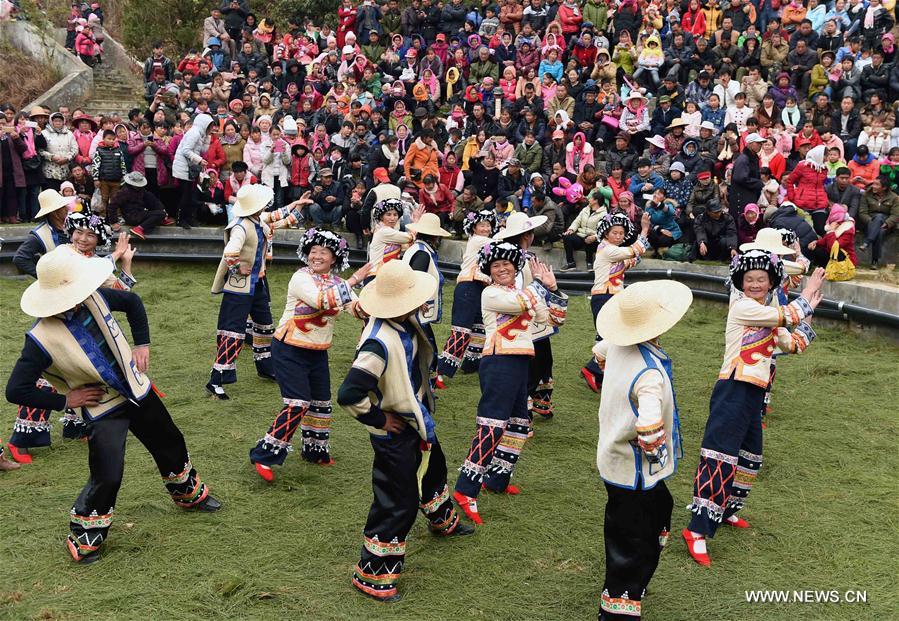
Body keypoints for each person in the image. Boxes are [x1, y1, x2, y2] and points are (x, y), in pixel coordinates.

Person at [5, 248, 222, 563]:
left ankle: (189, 496)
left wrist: (142, 343)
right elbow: (16, 389)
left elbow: (133, 302)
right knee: (107, 474)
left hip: (136, 388)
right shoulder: (39, 339)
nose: (79, 297)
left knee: (170, 441)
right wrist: (66, 400)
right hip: (102, 406)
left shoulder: (95, 296)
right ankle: (85, 538)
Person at [336, 260, 474, 602]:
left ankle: (442, 520)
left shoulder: (405, 322)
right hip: (395, 429)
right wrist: (379, 420)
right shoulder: (377, 345)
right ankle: (372, 573)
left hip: (417, 418)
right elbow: (348, 394)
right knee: (397, 500)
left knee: (434, 469)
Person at [684, 252, 824, 566]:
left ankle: (725, 512)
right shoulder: (743, 308)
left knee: (750, 458)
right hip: (733, 388)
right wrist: (807, 295)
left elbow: (794, 344)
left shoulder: (768, 314)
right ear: (741, 284)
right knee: (720, 457)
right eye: (750, 280)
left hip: (753, 395)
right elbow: (787, 316)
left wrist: (809, 309)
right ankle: (697, 529)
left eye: (762, 279)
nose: (756, 284)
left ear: (771, 282)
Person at [592, 280, 693, 621]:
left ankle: (638, 574)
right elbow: (649, 429)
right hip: (632, 466)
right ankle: (618, 607)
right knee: (628, 537)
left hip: (613, 455)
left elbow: (599, 354)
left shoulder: (618, 345)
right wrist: (658, 456)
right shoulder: (648, 373)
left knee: (658, 507)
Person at [250, 229, 371, 481]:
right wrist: (355, 279)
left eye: (323, 252)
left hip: (317, 351)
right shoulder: (300, 278)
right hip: (289, 348)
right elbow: (321, 301)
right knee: (298, 403)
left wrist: (380, 301)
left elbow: (356, 309)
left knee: (320, 405)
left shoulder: (338, 283)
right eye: (313, 251)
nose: (317, 256)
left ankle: (315, 452)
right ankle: (263, 455)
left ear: (334, 258)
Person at [453, 241, 559, 524]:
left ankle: (497, 478)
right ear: (490, 270)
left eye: (507, 265)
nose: (502, 269)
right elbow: (523, 304)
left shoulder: (521, 291)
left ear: (515, 270)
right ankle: (466, 488)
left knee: (519, 425)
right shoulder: (490, 293)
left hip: (520, 362)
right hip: (499, 361)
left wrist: (554, 289)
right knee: (492, 425)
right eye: (496, 266)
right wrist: (539, 286)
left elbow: (550, 321)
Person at [206, 184, 306, 400]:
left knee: (264, 327)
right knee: (234, 332)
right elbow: (230, 251)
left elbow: (274, 217)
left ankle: (265, 367)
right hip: (240, 288)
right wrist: (236, 266)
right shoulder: (241, 227)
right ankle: (216, 379)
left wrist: (295, 205)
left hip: (257, 284)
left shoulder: (256, 220)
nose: (264, 208)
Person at [496, 211, 570, 420]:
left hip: (525, 320)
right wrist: (543, 284)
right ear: (527, 235)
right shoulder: (520, 260)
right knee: (534, 366)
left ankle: (535, 404)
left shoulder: (507, 258)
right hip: (529, 321)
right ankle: (522, 412)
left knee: (540, 363)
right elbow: (523, 292)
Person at [580, 212, 651, 393]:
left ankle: (599, 372)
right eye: (615, 233)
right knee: (615, 337)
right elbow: (635, 250)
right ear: (606, 233)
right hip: (605, 296)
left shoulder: (610, 250)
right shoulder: (608, 250)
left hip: (609, 297)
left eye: (621, 233)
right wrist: (644, 230)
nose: (618, 236)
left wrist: (636, 254)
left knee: (609, 336)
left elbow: (630, 260)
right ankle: (593, 368)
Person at [436, 210, 498, 386]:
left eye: (488, 225)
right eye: (482, 225)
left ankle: (472, 364)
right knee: (461, 331)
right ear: (474, 228)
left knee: (479, 328)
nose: (486, 228)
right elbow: (500, 244)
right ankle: (439, 371)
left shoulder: (483, 242)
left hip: (479, 287)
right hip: (468, 286)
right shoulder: (478, 241)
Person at [403, 212, 452, 387]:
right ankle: (424, 383)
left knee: (419, 344)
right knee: (427, 346)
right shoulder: (423, 254)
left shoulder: (417, 249)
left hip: (412, 307)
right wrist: (419, 299)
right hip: (416, 309)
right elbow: (415, 277)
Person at [12, 189, 71, 278]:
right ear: (54, 212)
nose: (67, 208)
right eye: (63, 207)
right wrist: (44, 277)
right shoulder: (39, 234)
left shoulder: (74, 223)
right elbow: (20, 258)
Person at [107, 172, 168, 239]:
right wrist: (114, 222)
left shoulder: (141, 190)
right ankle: (139, 229)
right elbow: (112, 206)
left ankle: (161, 218)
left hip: (140, 213)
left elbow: (152, 200)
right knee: (160, 214)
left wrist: (161, 209)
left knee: (160, 211)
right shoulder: (124, 192)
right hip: (131, 216)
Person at [858, 176, 899, 268]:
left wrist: (888, 223)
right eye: (873, 183)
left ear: (884, 187)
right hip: (869, 222)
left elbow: (895, 215)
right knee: (879, 228)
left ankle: (867, 243)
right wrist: (871, 223)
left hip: (886, 224)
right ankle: (874, 261)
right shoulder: (866, 195)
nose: (873, 186)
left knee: (880, 219)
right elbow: (862, 212)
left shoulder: (894, 198)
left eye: (877, 184)